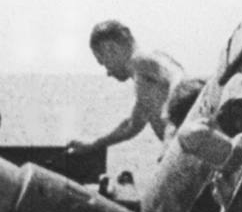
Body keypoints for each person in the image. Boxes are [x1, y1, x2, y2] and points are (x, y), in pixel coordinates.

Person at [67, 20, 183, 154]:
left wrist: (170, 123)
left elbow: (177, 77)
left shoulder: (141, 60)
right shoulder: (144, 80)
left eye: (103, 62)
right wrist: (93, 145)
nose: (108, 73)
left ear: (111, 49)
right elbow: (131, 125)